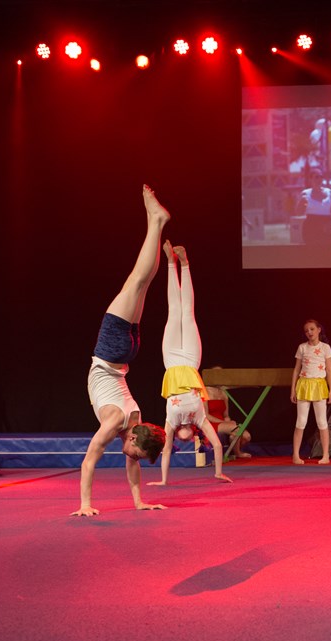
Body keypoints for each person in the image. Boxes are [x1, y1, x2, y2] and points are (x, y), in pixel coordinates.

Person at [71, 184, 169, 517]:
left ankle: (155, 221)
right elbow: (88, 462)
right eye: (135, 453)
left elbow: (131, 465)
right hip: (111, 352)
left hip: (126, 353)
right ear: (135, 439)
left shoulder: (136, 420)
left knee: (143, 283)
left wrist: (139, 501)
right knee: (137, 279)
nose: (131, 457)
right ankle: (155, 221)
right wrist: (85, 504)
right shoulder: (115, 422)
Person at [149, 243, 233, 486]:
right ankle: (184, 263)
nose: (183, 436)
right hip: (190, 361)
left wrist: (163, 480)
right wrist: (218, 472)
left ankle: (170, 262)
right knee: (187, 312)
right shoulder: (200, 419)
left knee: (174, 311)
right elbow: (217, 444)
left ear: (177, 436)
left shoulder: (170, 423)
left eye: (180, 439)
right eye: (188, 438)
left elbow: (166, 450)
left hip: (172, 362)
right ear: (193, 434)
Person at [290, 319, 331, 464]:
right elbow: (296, 369)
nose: (309, 332)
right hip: (304, 385)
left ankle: (326, 455)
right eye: (306, 331)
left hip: (319, 385)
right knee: (301, 421)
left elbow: (329, 370)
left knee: (321, 421)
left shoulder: (325, 348)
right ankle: (296, 455)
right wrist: (293, 390)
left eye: (312, 329)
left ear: (319, 330)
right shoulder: (302, 347)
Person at [204, 375, 252, 459]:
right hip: (211, 423)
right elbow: (206, 416)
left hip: (223, 423)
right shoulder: (205, 392)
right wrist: (225, 422)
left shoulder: (223, 393)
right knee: (238, 431)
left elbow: (226, 415)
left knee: (247, 436)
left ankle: (232, 450)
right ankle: (238, 453)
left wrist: (228, 421)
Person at [294, 169, 331, 245]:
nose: (319, 179)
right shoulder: (305, 194)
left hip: (327, 227)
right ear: (310, 179)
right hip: (311, 228)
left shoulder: (329, 192)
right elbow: (298, 213)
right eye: (316, 177)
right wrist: (301, 203)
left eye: (321, 177)